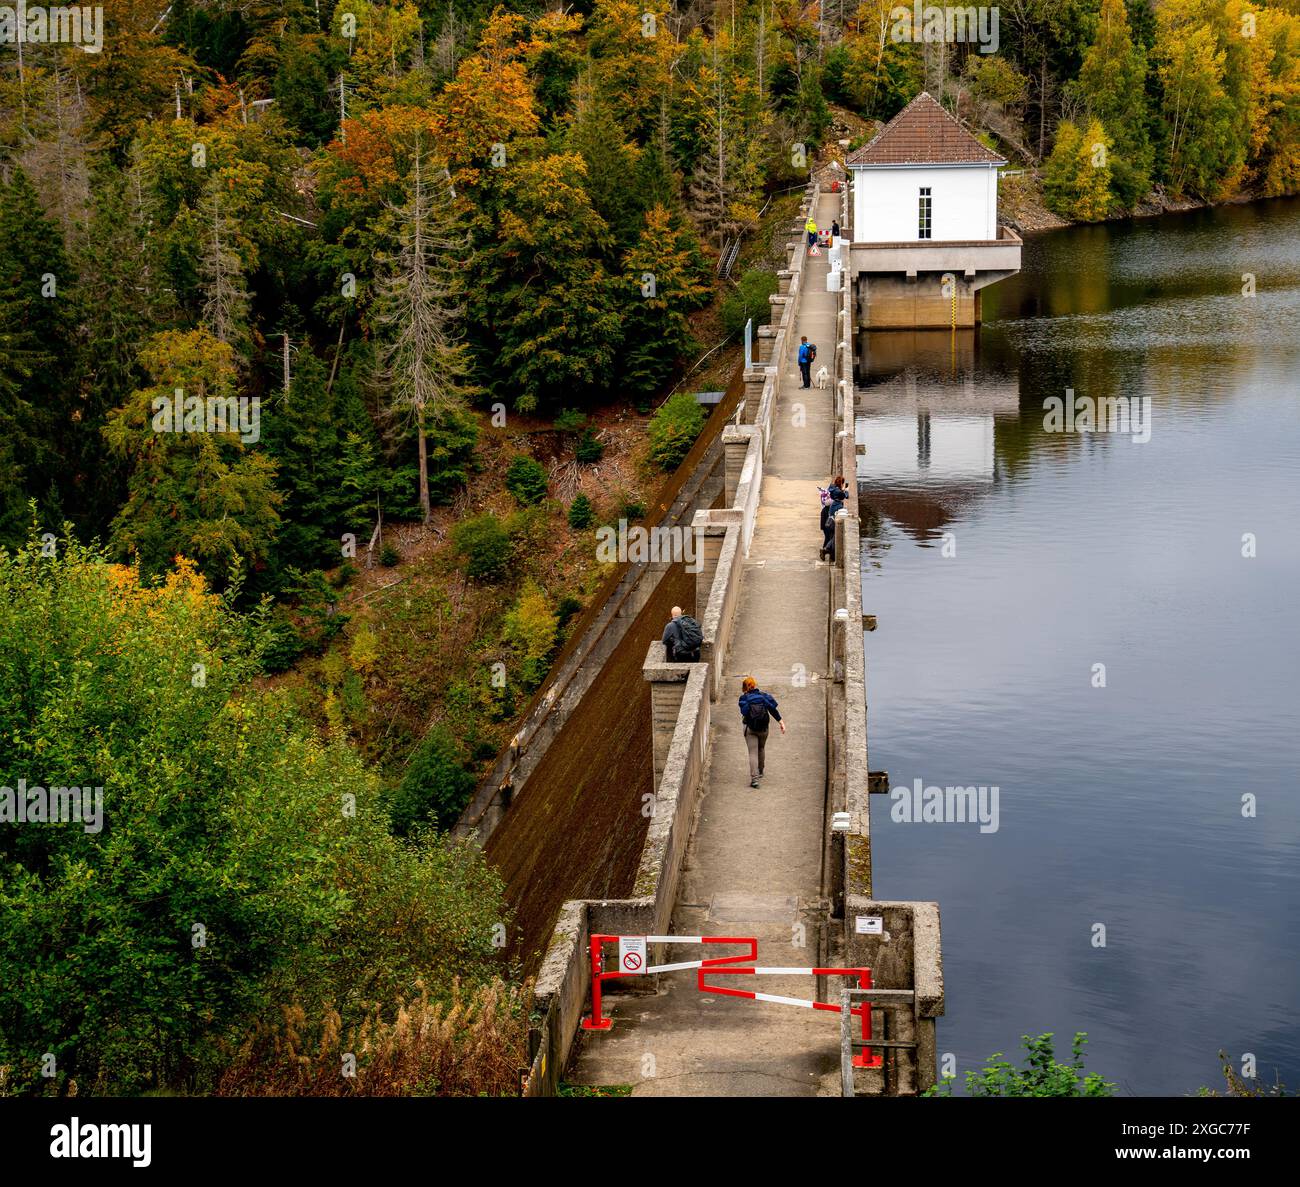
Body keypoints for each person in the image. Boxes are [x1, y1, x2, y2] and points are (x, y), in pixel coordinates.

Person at [738, 676, 784, 788]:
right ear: (755, 685)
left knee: (752, 753)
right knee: (761, 748)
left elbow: (743, 711)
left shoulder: (743, 698)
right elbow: (773, 708)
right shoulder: (764, 696)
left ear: (745, 688)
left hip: (750, 729)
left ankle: (754, 780)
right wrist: (781, 722)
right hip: (764, 729)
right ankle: (761, 770)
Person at [819, 477, 847, 561]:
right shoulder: (835, 501)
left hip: (826, 519)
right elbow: (843, 496)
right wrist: (844, 492)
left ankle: (826, 552)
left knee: (829, 538)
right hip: (829, 522)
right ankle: (825, 552)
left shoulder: (831, 492)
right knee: (831, 538)